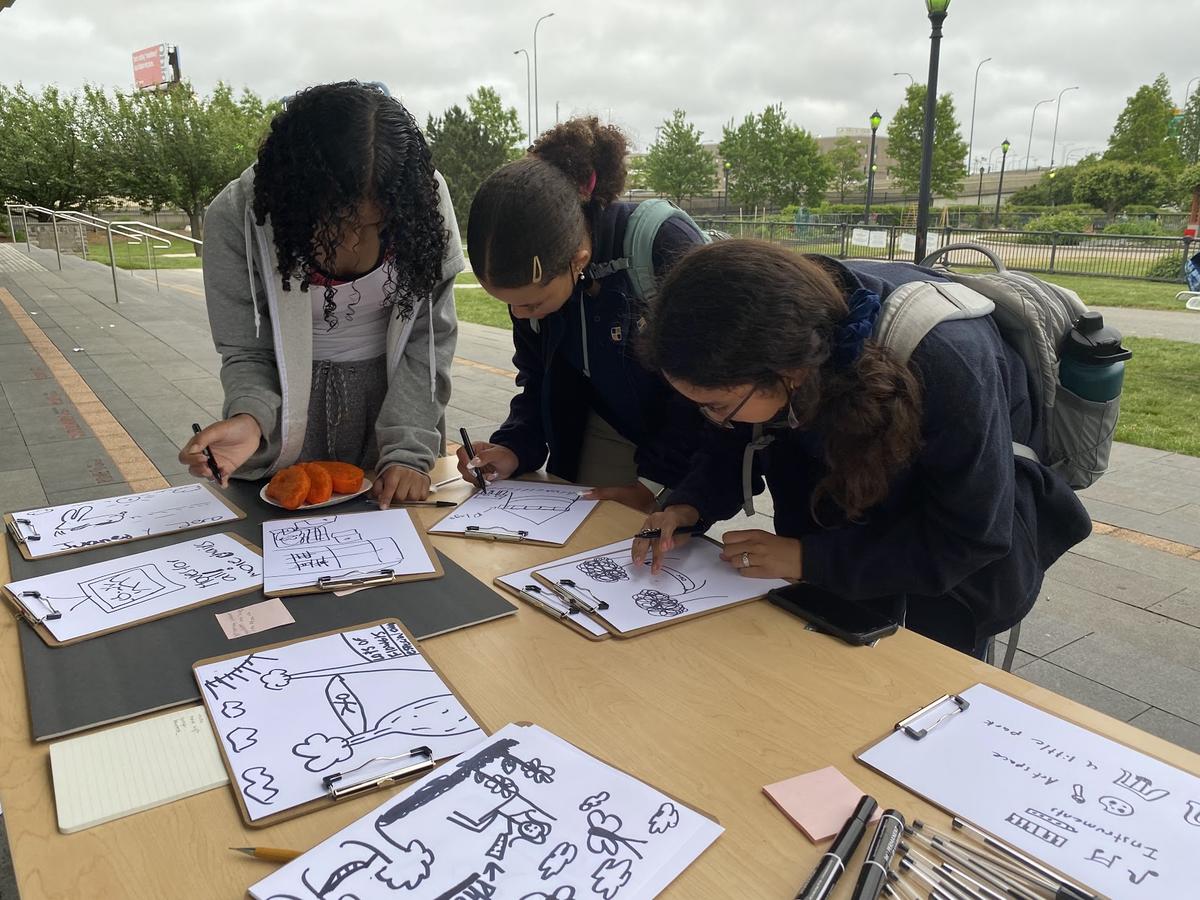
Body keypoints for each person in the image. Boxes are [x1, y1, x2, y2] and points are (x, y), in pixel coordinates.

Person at [634, 240, 1092, 656]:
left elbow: (972, 535)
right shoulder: (776, 337)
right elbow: (738, 438)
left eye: (717, 405)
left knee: (910, 706)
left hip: (941, 586)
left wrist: (808, 559)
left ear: (791, 372)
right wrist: (688, 506)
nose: (714, 420)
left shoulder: (948, 360)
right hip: (834, 548)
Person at [179, 81, 462, 508]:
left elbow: (429, 338)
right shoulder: (236, 217)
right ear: (294, 199)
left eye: (374, 225)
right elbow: (246, 350)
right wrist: (251, 418)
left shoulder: (422, 199)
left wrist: (408, 448)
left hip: (396, 403)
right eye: (335, 221)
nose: (352, 241)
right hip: (289, 413)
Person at [455, 117, 708, 513]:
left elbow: (707, 393)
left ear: (579, 262)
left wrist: (655, 483)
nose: (521, 315)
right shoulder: (536, 279)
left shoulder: (662, 246)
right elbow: (539, 379)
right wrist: (514, 446)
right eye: (510, 304)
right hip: (604, 422)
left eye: (533, 304)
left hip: (689, 431)